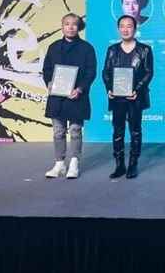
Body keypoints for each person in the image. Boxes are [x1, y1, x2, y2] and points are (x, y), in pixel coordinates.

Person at [43, 13, 96, 179]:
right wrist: (49, 83)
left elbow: (91, 72)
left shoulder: (87, 48)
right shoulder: (53, 47)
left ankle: (74, 163)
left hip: (76, 96)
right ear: (62, 26)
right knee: (58, 132)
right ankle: (59, 164)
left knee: (75, 131)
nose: (70, 27)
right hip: (57, 97)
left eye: (74, 24)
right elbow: (47, 69)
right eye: (67, 24)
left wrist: (80, 89)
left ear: (78, 27)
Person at [101, 15, 154, 179]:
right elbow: (106, 72)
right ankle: (119, 165)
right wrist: (109, 89)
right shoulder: (112, 50)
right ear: (118, 29)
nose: (125, 29)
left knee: (135, 130)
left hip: (135, 97)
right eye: (122, 26)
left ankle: (133, 164)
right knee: (117, 130)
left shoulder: (145, 50)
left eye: (129, 26)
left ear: (135, 29)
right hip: (117, 97)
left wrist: (137, 89)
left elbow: (148, 72)